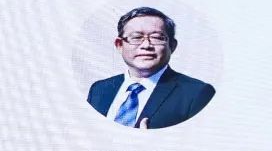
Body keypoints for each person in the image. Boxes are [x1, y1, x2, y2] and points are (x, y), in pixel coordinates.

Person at [87, 7, 215, 129]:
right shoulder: (99, 89)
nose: (146, 45)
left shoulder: (197, 93)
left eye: (156, 38)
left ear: (172, 46)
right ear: (119, 45)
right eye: (136, 37)